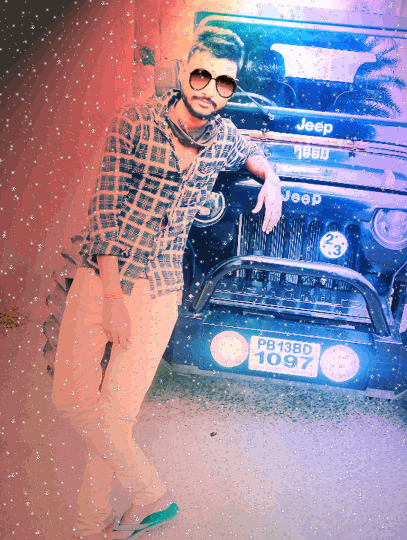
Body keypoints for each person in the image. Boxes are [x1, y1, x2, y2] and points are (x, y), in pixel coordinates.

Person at [51, 26, 282, 540]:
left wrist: (272, 178)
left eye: (224, 83)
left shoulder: (223, 136)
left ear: (231, 89)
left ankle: (88, 526)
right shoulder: (133, 122)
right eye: (201, 75)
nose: (209, 90)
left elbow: (250, 151)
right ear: (182, 71)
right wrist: (112, 297)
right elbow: (104, 215)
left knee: (117, 417)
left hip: (161, 290)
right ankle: (152, 494)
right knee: (71, 397)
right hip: (104, 277)